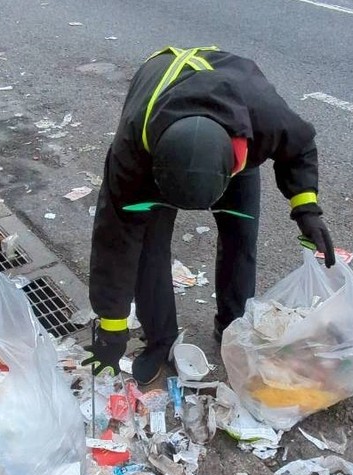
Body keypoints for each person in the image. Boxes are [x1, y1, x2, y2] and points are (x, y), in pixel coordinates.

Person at [83, 45, 335, 385]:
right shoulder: (134, 150)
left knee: (241, 238)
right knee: (148, 247)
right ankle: (160, 341)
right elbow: (116, 240)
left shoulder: (263, 115)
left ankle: (233, 328)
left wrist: (305, 207)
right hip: (160, 128)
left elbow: (300, 147)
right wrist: (111, 327)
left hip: (230, 134)